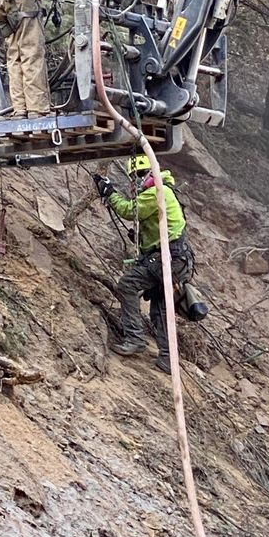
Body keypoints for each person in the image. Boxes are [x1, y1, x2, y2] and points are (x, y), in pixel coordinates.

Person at [94, 154, 194, 374]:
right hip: (175, 259)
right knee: (160, 309)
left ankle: (135, 338)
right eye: (135, 176)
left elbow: (130, 210)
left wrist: (109, 192)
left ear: (150, 172)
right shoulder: (162, 191)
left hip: (167, 258)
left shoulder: (158, 191)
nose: (137, 179)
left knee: (127, 285)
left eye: (139, 174)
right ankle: (168, 359)